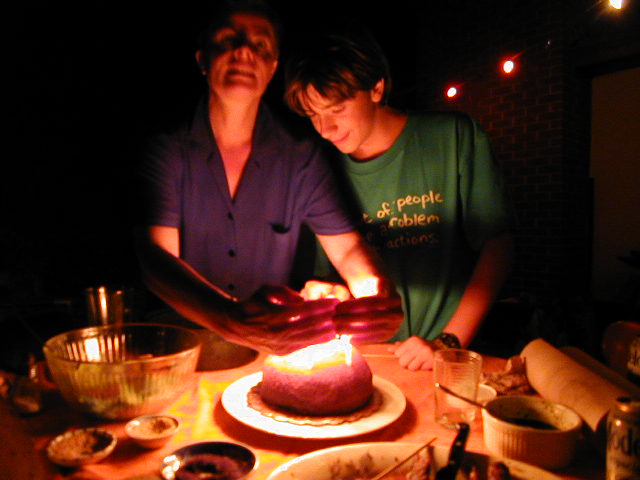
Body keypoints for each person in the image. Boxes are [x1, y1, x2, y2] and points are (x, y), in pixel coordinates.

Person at [133, 2, 402, 356]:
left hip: (265, 354)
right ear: (202, 59)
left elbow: (348, 248)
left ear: (273, 67)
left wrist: (376, 291)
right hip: (179, 351)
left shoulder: (300, 158)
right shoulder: (168, 149)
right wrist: (229, 319)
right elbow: (156, 260)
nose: (245, 52)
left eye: (260, 46)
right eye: (229, 40)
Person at [284, 22, 515, 370]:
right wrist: (332, 295)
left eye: (336, 109)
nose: (325, 129)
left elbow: (499, 246)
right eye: (313, 115)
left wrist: (448, 342)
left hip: (449, 354)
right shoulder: (321, 171)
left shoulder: (452, 138)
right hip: (365, 358)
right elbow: (337, 274)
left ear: (376, 88)